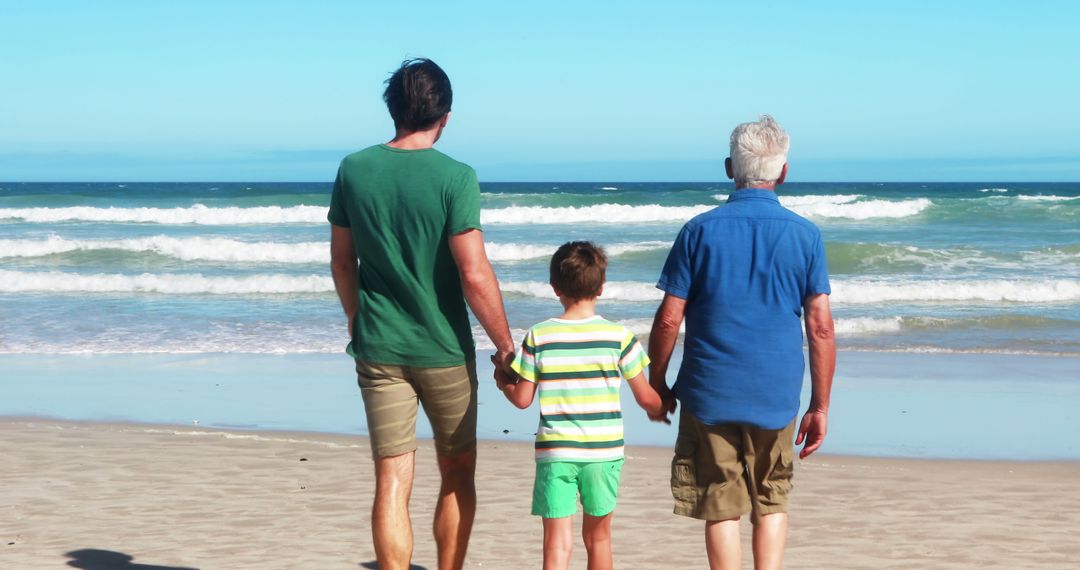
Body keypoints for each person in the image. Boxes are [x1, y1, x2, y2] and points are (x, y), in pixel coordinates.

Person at [327, 58, 516, 570]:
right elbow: (474, 274)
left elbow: (344, 261)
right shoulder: (456, 177)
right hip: (444, 350)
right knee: (457, 472)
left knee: (391, 477)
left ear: (392, 109)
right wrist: (504, 344)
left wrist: (355, 318)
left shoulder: (354, 168)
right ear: (446, 116)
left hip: (379, 345)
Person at [647, 115, 836, 570]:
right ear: (784, 172)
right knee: (772, 499)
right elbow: (821, 328)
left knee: (720, 503)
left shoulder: (699, 231)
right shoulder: (805, 235)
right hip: (775, 394)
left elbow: (670, 318)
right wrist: (820, 406)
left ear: (730, 167)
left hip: (709, 393)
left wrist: (658, 379)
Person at [498, 241, 664, 570]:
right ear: (602, 287)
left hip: (556, 452)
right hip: (603, 453)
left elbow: (522, 399)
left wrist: (502, 380)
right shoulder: (619, 336)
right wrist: (664, 403)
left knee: (557, 543)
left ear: (554, 288)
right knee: (599, 538)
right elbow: (646, 398)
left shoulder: (539, 336)